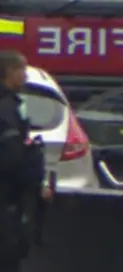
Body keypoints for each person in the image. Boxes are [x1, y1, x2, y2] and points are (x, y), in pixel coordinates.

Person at [0, 51, 47, 272]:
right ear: (9, 72)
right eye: (22, 70)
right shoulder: (7, 108)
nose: (25, 76)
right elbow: (13, 158)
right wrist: (35, 185)